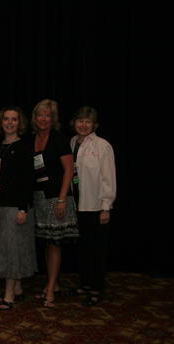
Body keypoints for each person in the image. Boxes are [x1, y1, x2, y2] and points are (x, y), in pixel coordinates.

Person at [0, 107, 37, 310]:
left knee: (12, 250)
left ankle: (9, 295)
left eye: (14, 119)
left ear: (19, 123)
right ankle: (17, 288)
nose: (9, 122)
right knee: (6, 248)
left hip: (15, 205)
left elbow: (27, 181)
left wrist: (23, 208)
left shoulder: (24, 146)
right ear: (1, 122)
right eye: (6, 119)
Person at [31, 99, 79, 308]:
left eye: (47, 116)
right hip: (40, 197)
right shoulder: (33, 138)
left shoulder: (59, 138)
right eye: (40, 115)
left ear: (53, 119)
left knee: (55, 243)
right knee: (47, 241)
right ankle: (54, 283)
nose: (43, 119)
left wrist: (61, 199)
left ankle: (50, 289)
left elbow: (69, 169)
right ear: (35, 118)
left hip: (57, 198)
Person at [70, 106, 116, 306]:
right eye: (80, 120)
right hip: (77, 205)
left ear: (94, 125)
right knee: (83, 248)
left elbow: (108, 177)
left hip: (96, 206)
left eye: (87, 121)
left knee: (96, 250)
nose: (83, 124)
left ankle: (96, 288)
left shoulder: (102, 145)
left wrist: (106, 206)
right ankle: (85, 283)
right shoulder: (72, 142)